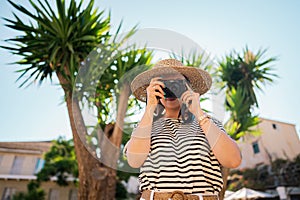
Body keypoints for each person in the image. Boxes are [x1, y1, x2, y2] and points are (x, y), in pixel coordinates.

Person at [125, 59, 241, 200]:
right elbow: (134, 161)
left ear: (189, 88)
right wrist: (150, 106)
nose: (171, 89)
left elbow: (233, 160)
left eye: (177, 83)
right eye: (164, 85)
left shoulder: (209, 124)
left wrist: (199, 113)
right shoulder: (145, 126)